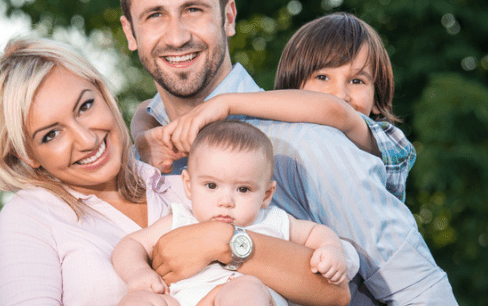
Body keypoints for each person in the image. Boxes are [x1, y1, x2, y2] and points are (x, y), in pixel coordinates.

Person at [116, 0, 461, 306]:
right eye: (155, 14)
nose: (176, 35)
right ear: (130, 32)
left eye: (194, 9)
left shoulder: (305, 144)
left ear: (229, 16)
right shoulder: (141, 154)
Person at [0, 36, 348, 306]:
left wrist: (224, 240)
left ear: (104, 95)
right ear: (27, 156)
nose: (86, 139)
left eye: (86, 106)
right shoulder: (30, 217)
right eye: (51, 134)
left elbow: (333, 291)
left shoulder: (188, 187)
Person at [113, 120, 352, 306]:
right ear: (188, 185)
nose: (226, 200)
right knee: (137, 303)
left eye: (243, 189)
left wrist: (329, 249)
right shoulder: (180, 219)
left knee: (247, 288)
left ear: (266, 194)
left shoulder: (272, 221)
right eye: (212, 186)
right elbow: (130, 244)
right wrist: (137, 272)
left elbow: (316, 233)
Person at [137, 13, 415, 203]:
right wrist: (144, 135)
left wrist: (225, 102)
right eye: (322, 77)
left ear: (377, 95)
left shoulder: (382, 139)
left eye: (357, 80)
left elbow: (335, 111)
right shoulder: (283, 134)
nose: (340, 94)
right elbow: (144, 107)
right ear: (292, 89)